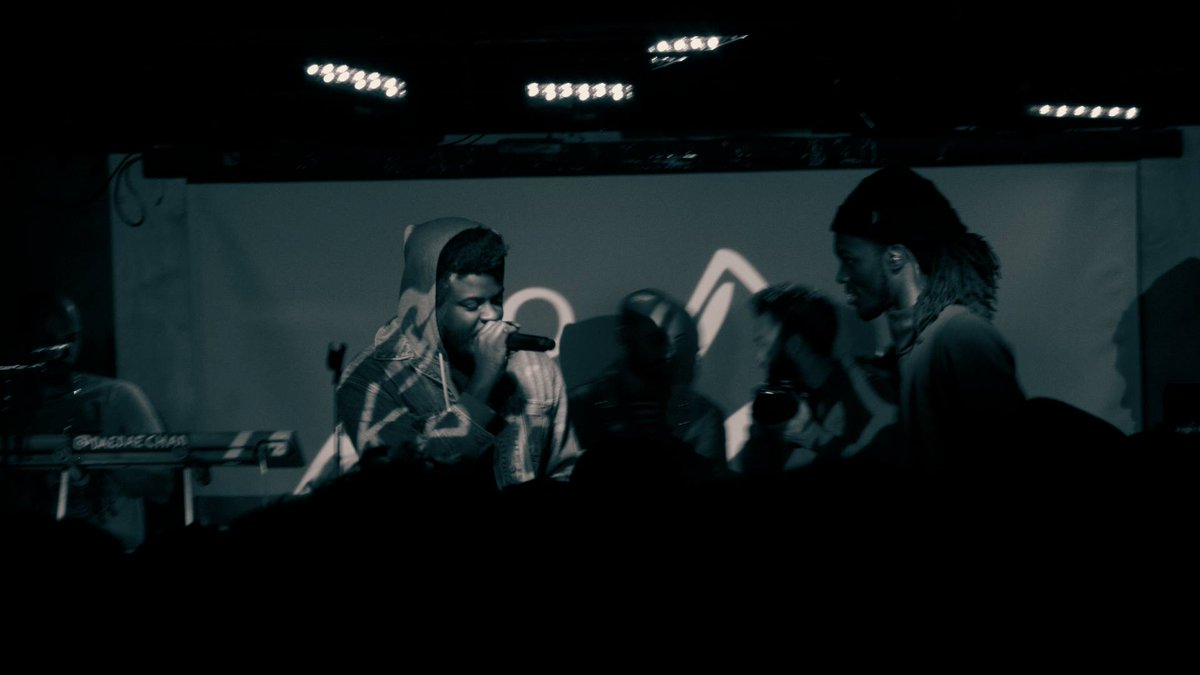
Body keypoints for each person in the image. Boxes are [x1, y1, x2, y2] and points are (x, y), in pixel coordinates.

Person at [336, 218, 578, 491]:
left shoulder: (534, 367)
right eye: (472, 305)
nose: (492, 314)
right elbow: (407, 487)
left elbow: (564, 472)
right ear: (428, 306)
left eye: (496, 299)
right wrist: (483, 382)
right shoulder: (370, 382)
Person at [830, 166, 1025, 475]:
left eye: (850, 260)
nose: (841, 276)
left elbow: (1008, 457)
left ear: (895, 257)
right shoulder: (916, 347)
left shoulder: (961, 336)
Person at [0, 290, 170, 552]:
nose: (63, 351)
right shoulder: (13, 409)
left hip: (111, 548)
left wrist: (97, 454)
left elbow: (162, 484)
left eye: (71, 338)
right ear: (27, 341)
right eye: (48, 340)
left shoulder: (118, 398)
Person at [569, 289, 727, 488]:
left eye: (677, 341)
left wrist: (665, 442)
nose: (669, 352)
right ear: (626, 338)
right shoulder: (583, 405)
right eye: (656, 340)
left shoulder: (701, 414)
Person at [740, 283, 899, 476]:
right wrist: (761, 430)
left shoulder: (866, 393)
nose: (759, 359)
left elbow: (887, 460)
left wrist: (811, 434)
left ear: (795, 345)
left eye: (764, 345)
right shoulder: (790, 400)